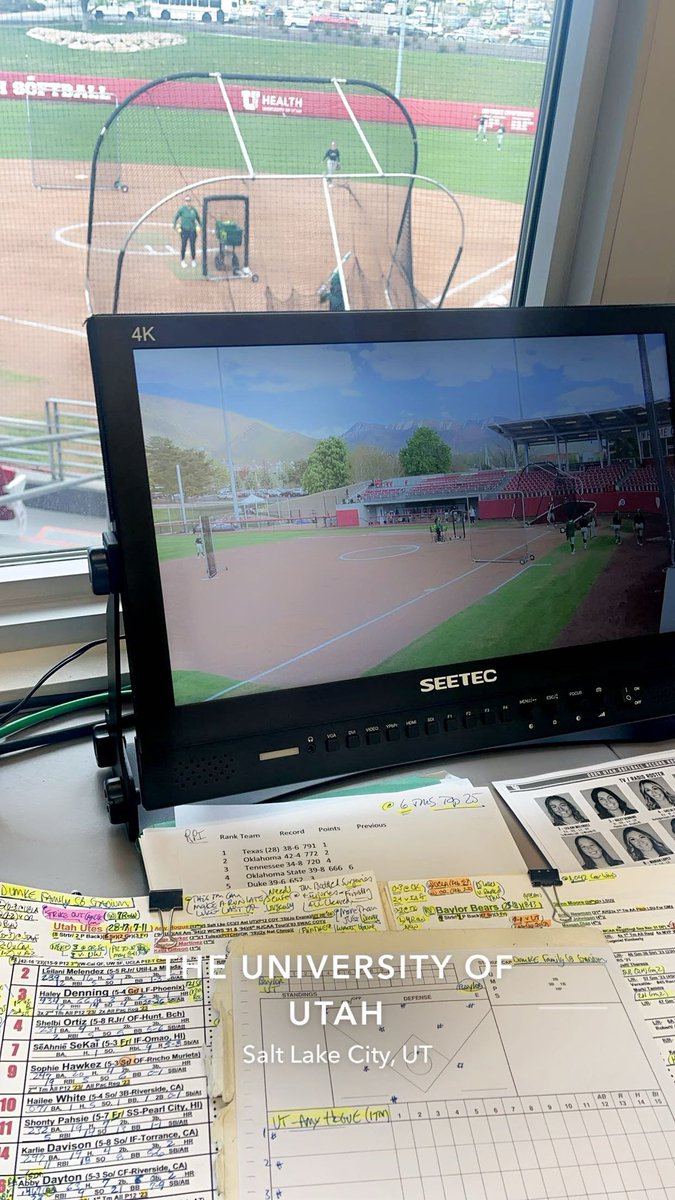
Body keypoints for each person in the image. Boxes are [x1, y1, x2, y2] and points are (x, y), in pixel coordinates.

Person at [173, 194, 201, 269]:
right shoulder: (182, 209)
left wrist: (201, 226)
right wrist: (174, 226)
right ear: (185, 201)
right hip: (184, 231)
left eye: (189, 200)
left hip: (192, 231)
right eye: (186, 201)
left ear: (191, 201)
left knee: (192, 246)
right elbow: (176, 217)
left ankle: (193, 260)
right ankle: (182, 260)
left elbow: (198, 218)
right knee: (183, 246)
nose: (188, 202)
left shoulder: (193, 210)